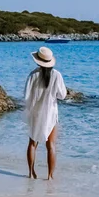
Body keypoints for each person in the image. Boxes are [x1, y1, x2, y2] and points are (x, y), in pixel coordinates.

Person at [24, 46, 67, 180]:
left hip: (35, 113)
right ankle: (50, 176)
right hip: (51, 114)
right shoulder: (57, 75)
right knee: (51, 146)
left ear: (38, 61)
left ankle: (31, 173)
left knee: (32, 143)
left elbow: (26, 96)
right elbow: (62, 95)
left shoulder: (33, 75)